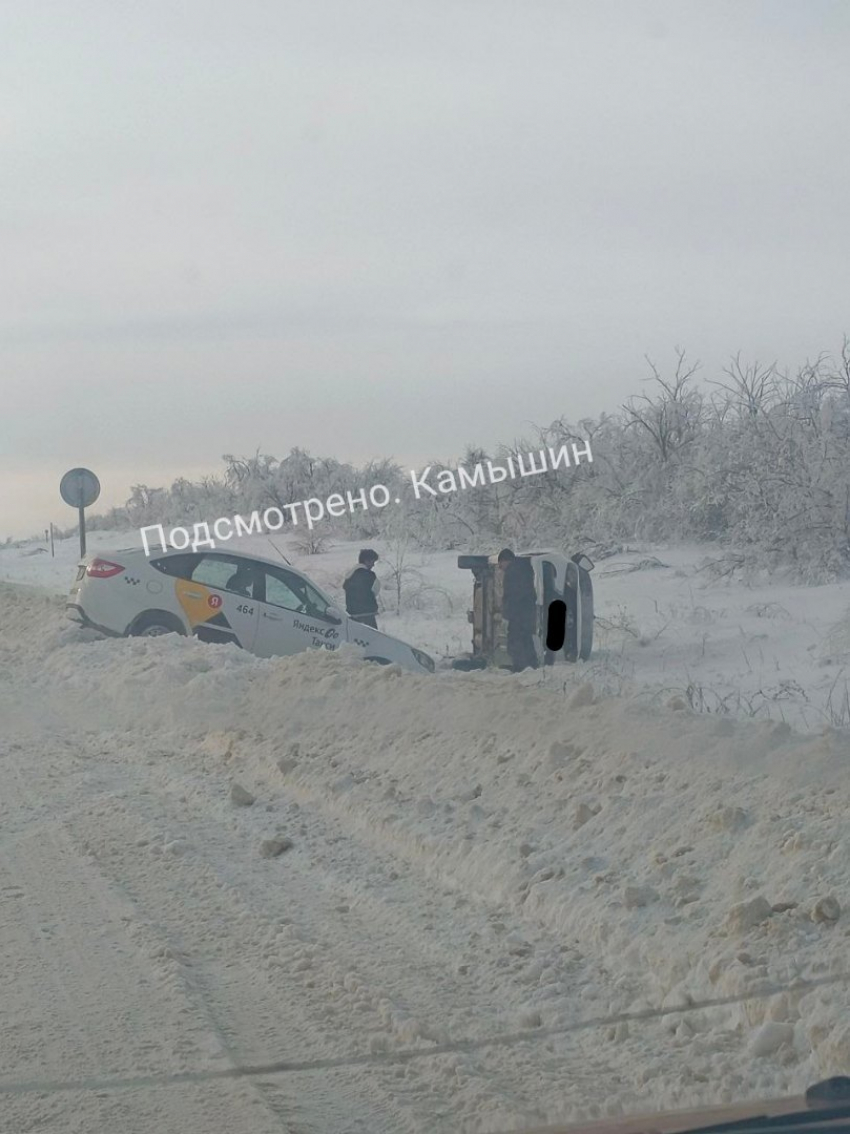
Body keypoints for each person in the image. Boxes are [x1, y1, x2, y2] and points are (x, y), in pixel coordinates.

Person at [498, 548, 539, 672]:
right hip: (527, 612)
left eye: (500, 564)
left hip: (518, 614)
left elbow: (513, 595)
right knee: (526, 638)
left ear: (506, 560)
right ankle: (532, 664)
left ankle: (520, 666)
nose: (500, 567)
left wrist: (507, 613)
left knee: (515, 640)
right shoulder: (524, 568)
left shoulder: (513, 571)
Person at [343, 549, 381, 629]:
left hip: (352, 613)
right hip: (368, 613)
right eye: (373, 562)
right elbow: (376, 590)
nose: (373, 565)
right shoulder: (371, 575)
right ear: (367, 561)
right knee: (373, 639)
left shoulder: (349, 576)